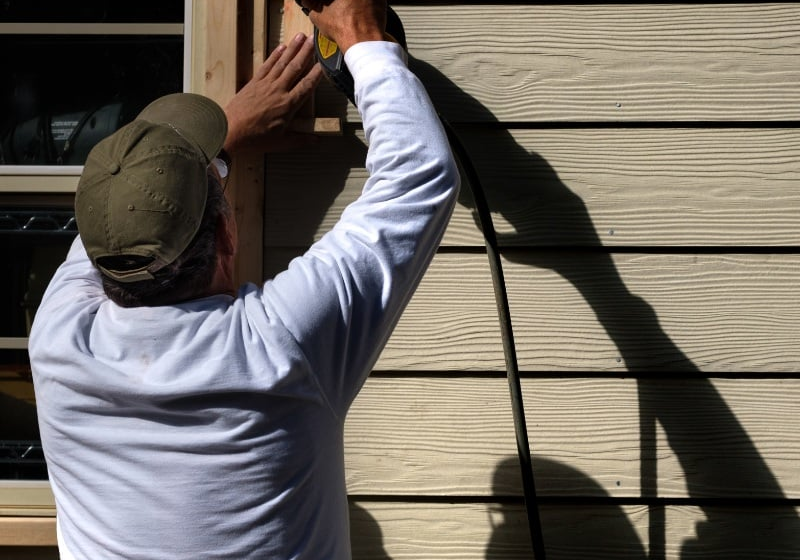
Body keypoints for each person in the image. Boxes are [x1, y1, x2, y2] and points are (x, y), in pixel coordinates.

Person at [28, 0, 459, 557]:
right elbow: (419, 174)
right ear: (228, 237)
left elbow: (121, 222)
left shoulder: (56, 337)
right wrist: (361, 31)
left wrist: (224, 140)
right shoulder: (279, 347)